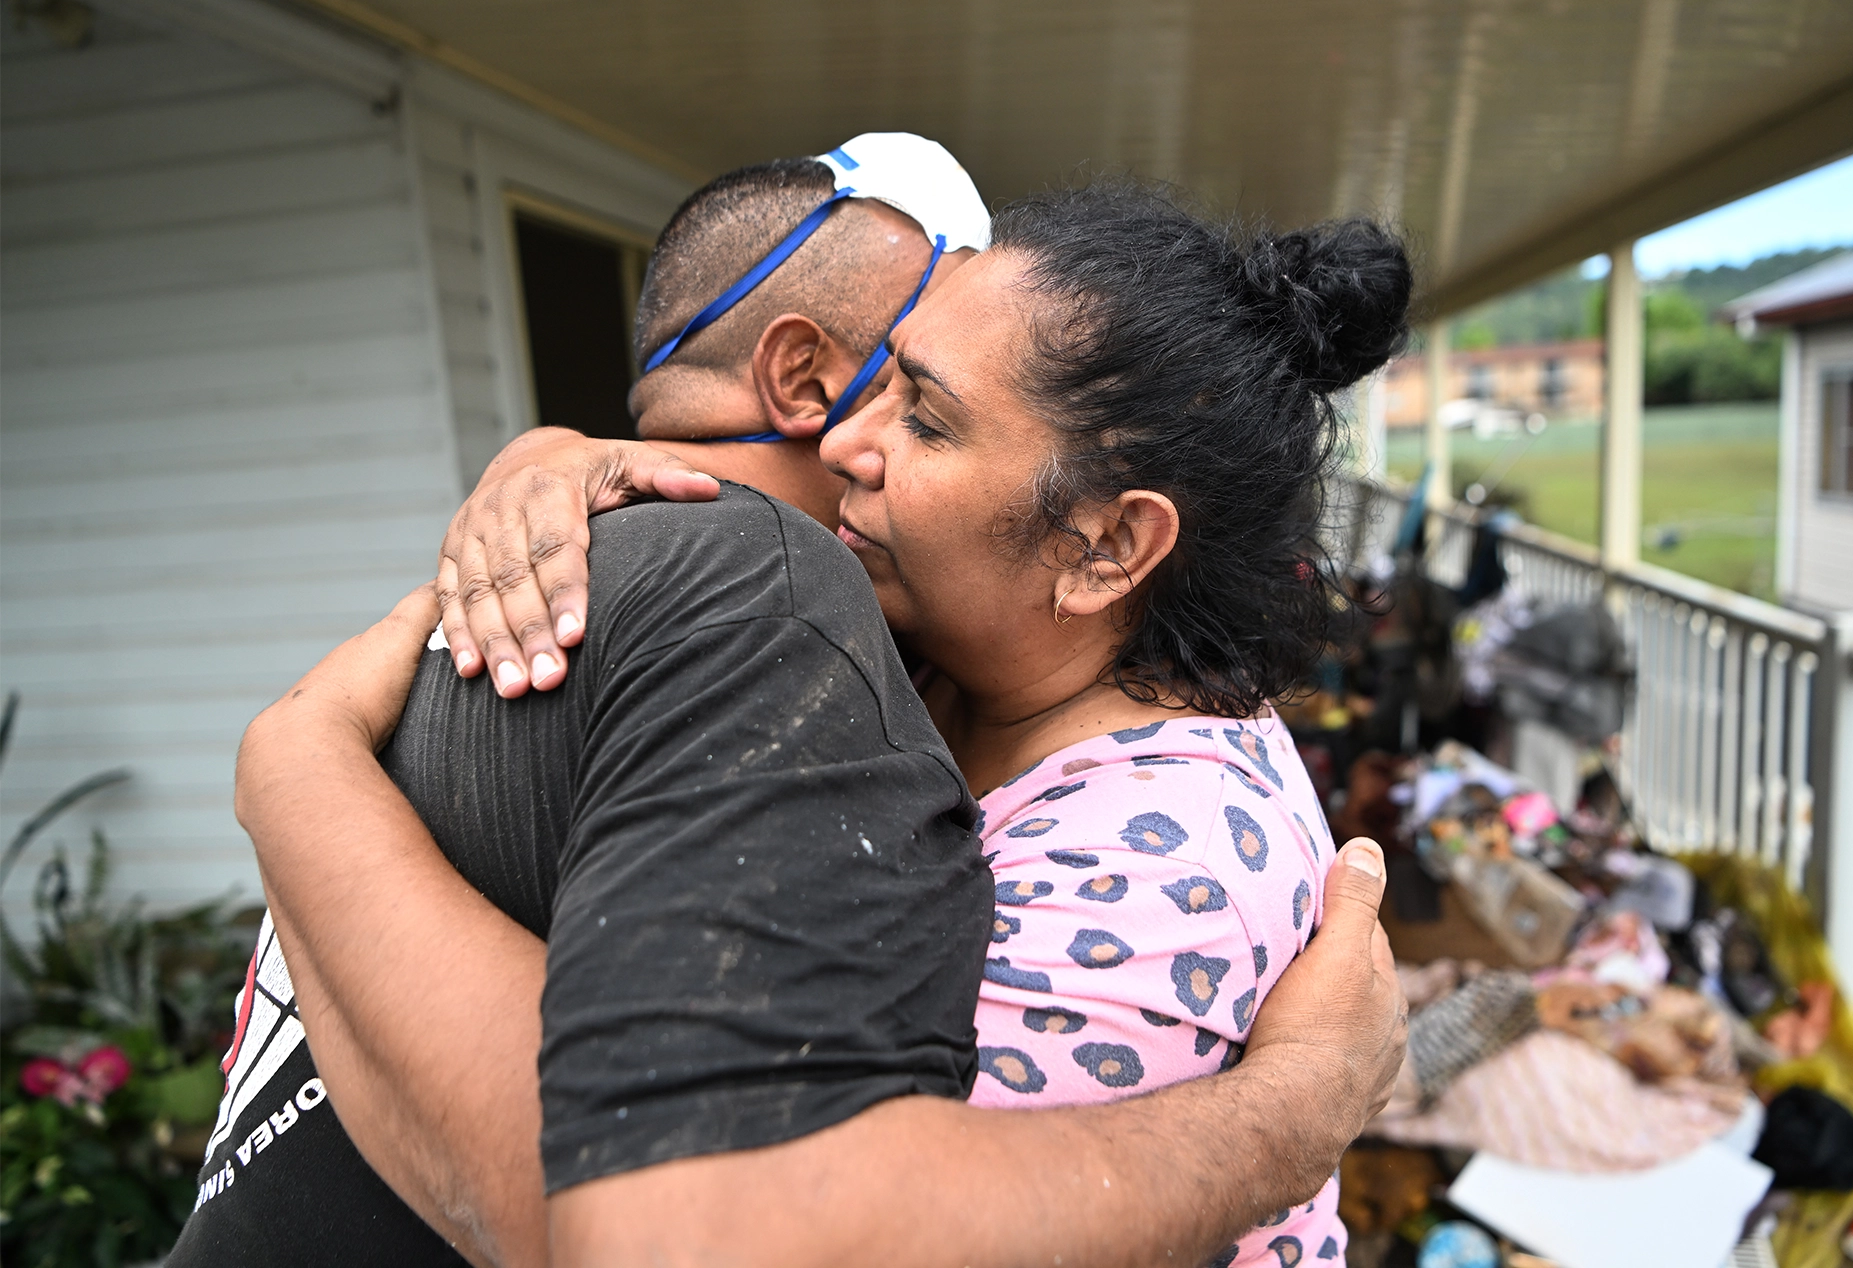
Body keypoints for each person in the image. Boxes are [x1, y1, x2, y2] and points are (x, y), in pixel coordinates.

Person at [200, 147, 1411, 1267]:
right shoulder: (962, 661)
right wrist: (554, 457)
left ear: (1105, 547)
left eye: (925, 415)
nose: (843, 438)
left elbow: (720, 1217)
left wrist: (300, 769)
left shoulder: (1167, 867)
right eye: (878, 382)